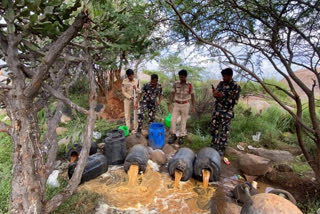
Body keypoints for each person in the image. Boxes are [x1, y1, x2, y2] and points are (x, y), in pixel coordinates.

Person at [211, 68, 241, 156]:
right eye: (223, 76)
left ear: (230, 76)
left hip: (227, 112)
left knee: (224, 131)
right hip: (217, 110)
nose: (223, 78)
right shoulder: (221, 84)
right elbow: (217, 96)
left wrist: (222, 96)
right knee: (214, 128)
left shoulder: (236, 86)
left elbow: (234, 101)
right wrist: (215, 94)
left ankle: (221, 148)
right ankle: (214, 145)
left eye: (225, 76)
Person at [168, 69, 195, 145]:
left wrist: (193, 106)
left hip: (185, 104)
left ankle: (181, 136)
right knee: (172, 120)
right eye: (180, 77)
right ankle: (173, 135)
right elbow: (172, 94)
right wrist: (170, 104)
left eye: (182, 77)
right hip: (176, 104)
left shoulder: (189, 85)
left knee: (183, 121)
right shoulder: (176, 84)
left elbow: (192, 96)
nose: (181, 79)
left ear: (186, 77)